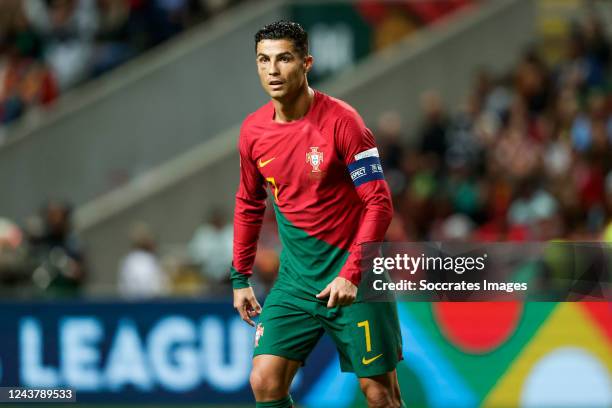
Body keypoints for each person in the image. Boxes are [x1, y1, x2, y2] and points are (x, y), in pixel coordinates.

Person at [230, 21, 403, 408]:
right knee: (265, 381)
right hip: (295, 283)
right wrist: (240, 277)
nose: (272, 70)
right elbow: (248, 202)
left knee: (379, 394)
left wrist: (352, 273)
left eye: (284, 59)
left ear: (306, 63)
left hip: (355, 279)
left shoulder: (345, 123)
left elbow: (380, 203)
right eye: (263, 60)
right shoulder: (252, 132)